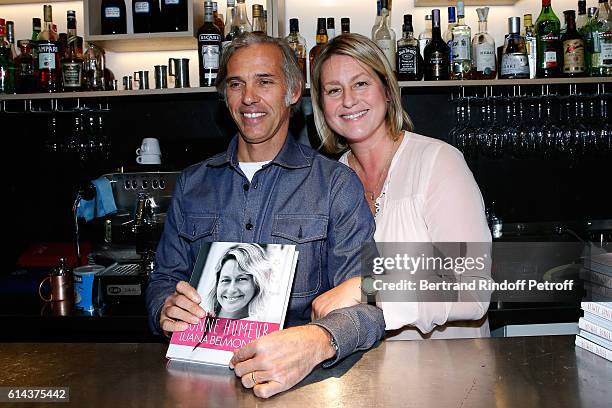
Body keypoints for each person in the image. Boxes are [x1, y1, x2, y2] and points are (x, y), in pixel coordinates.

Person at [145, 33, 385, 399]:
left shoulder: (335, 185)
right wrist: (164, 306)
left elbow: (370, 299)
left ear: (292, 91)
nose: (249, 98)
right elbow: (165, 277)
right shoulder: (193, 183)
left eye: (265, 81)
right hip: (200, 384)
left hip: (303, 387)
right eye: (236, 84)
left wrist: (320, 339)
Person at [309, 34, 492, 340]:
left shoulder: (438, 162)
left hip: (450, 376)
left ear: (387, 90)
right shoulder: (328, 179)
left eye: (361, 84)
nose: (348, 100)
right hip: (363, 376)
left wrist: (368, 286)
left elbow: (472, 290)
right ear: (321, 105)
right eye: (333, 90)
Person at [201, 244, 270, 320]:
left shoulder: (259, 328)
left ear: (257, 284)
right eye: (226, 280)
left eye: (241, 279)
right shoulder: (199, 317)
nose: (231, 289)